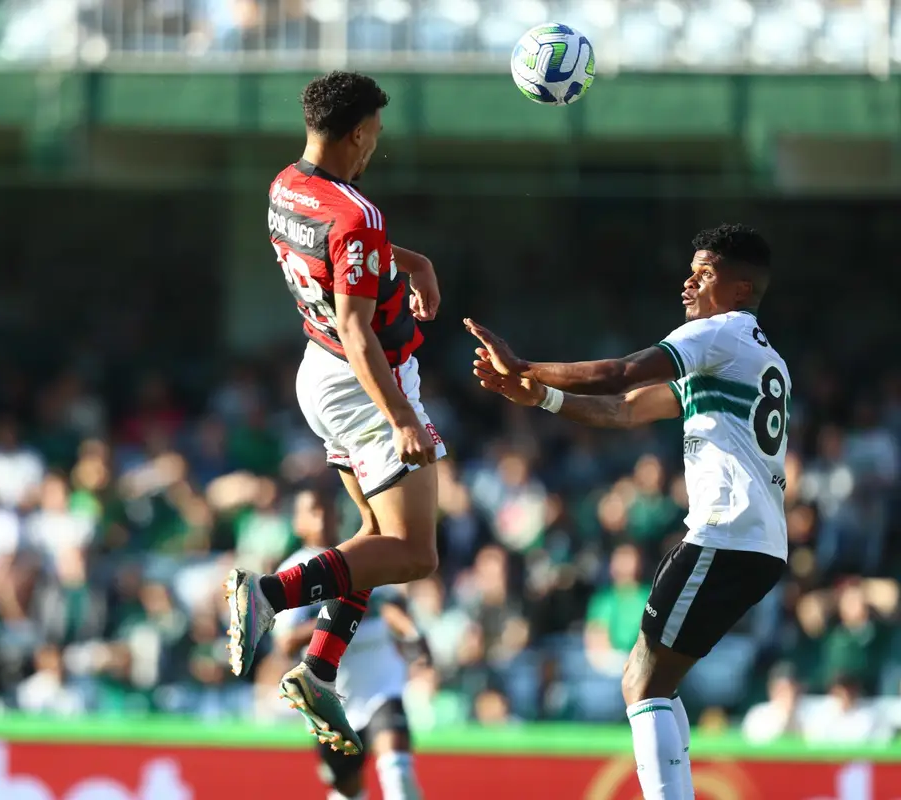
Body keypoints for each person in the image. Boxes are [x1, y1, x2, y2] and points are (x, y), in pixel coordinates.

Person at [466, 223, 789, 800]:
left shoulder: (718, 335)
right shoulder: (757, 357)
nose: (688, 281)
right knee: (658, 682)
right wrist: (540, 398)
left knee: (640, 679)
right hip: (758, 544)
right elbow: (623, 410)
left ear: (739, 290)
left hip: (725, 535)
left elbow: (621, 373)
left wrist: (525, 367)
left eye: (705, 272)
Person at [224, 70, 446, 756]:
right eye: (374, 134)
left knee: (372, 541)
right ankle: (268, 592)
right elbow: (357, 324)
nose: (375, 146)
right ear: (356, 133)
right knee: (414, 554)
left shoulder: (286, 186)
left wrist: (414, 262)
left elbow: (341, 258)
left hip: (318, 371)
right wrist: (403, 415)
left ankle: (319, 668)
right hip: (364, 375)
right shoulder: (358, 213)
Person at [273, 486, 425, 800]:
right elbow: (286, 642)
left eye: (329, 510)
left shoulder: (362, 555)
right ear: (297, 523)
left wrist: (415, 638)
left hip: (380, 684)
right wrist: (337, 615)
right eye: (313, 511)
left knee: (397, 769)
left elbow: (389, 606)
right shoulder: (293, 574)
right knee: (347, 792)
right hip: (331, 701)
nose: (324, 518)